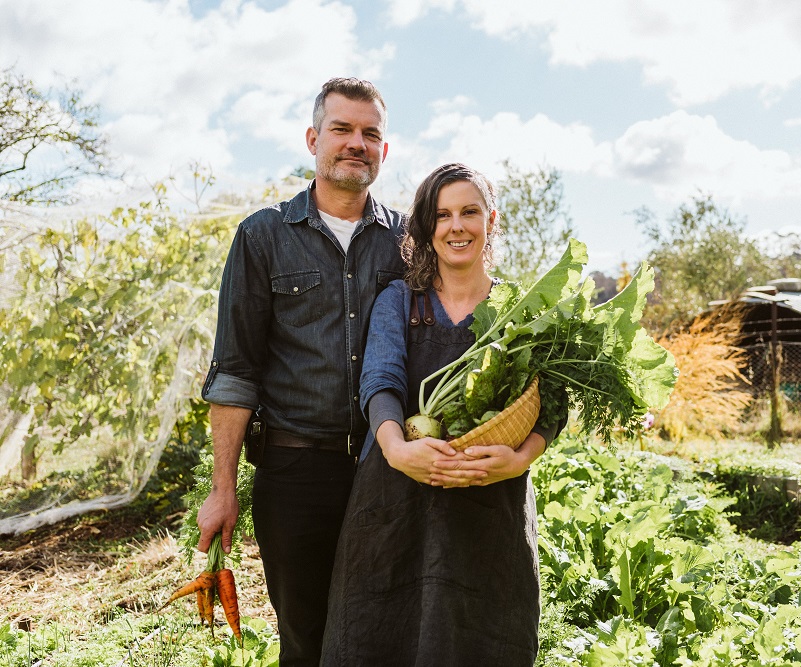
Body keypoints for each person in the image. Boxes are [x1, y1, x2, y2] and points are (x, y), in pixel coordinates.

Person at [196, 77, 406, 667]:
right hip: (294, 471)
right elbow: (235, 370)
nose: (356, 144)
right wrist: (222, 490)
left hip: (385, 467)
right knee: (306, 641)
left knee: (383, 632)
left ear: (384, 152)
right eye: (342, 129)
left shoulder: (407, 242)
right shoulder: (263, 237)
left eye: (371, 134)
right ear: (314, 139)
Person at [320, 163, 562, 666]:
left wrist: (519, 460)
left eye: (469, 212)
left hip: (489, 499)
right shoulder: (399, 301)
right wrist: (396, 448)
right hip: (395, 499)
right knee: (379, 638)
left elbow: (553, 402)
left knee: (483, 640)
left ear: (490, 221)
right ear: (427, 228)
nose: (456, 226)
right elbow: (380, 380)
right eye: (442, 214)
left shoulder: (520, 311)